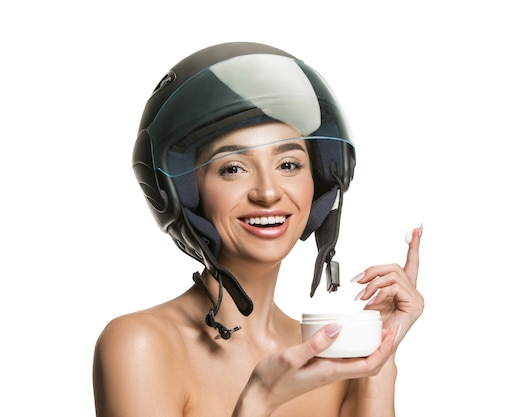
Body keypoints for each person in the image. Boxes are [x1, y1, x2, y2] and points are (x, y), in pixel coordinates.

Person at [92, 41, 424, 417]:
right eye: (232, 168)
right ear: (183, 195)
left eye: (288, 164)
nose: (268, 193)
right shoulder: (141, 345)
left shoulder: (329, 352)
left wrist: (381, 349)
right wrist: (258, 400)